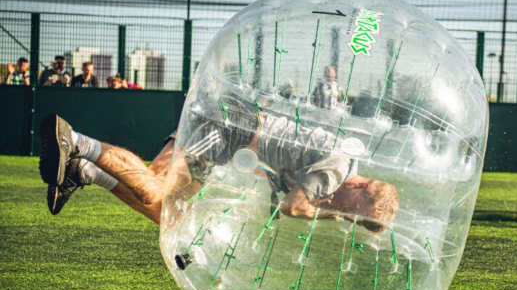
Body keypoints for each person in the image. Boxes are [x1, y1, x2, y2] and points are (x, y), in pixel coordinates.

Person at [38, 98, 399, 232]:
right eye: (352, 211)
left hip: (227, 143)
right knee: (152, 186)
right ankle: (76, 140)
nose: (343, 212)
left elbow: (279, 199)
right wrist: (326, 215)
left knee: (166, 213)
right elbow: (292, 207)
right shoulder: (337, 172)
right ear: (363, 187)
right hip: (228, 128)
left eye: (351, 219)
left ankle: (82, 170)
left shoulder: (336, 173)